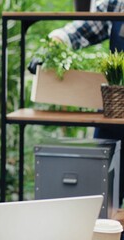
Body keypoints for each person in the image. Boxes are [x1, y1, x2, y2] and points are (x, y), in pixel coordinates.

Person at [48, 0, 124, 207]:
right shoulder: (116, 4)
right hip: (114, 116)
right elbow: (78, 30)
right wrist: (54, 43)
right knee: (101, 198)